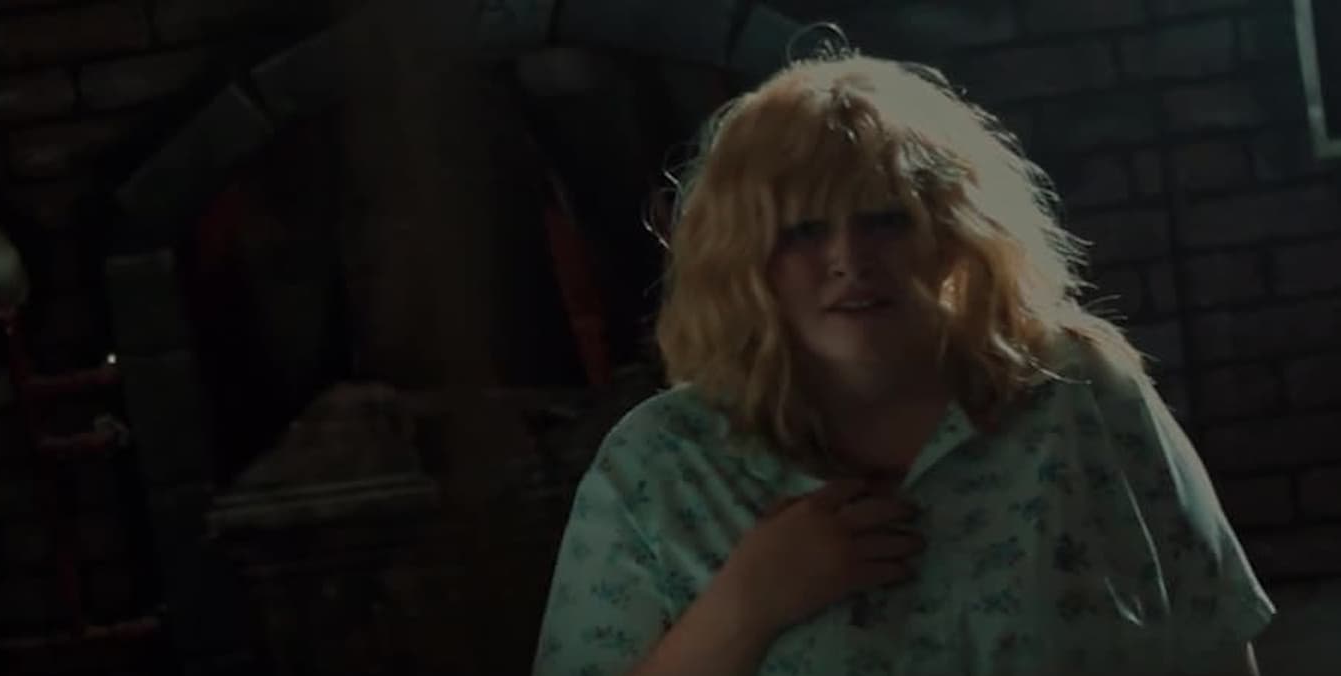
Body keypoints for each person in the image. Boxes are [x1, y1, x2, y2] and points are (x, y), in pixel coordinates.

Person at [531, 48, 1275, 676]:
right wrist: (746, 605)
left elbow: (1216, 640)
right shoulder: (657, 467)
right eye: (804, 231)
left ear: (954, 234)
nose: (849, 259)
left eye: (886, 220)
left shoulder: (1078, 390)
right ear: (742, 258)